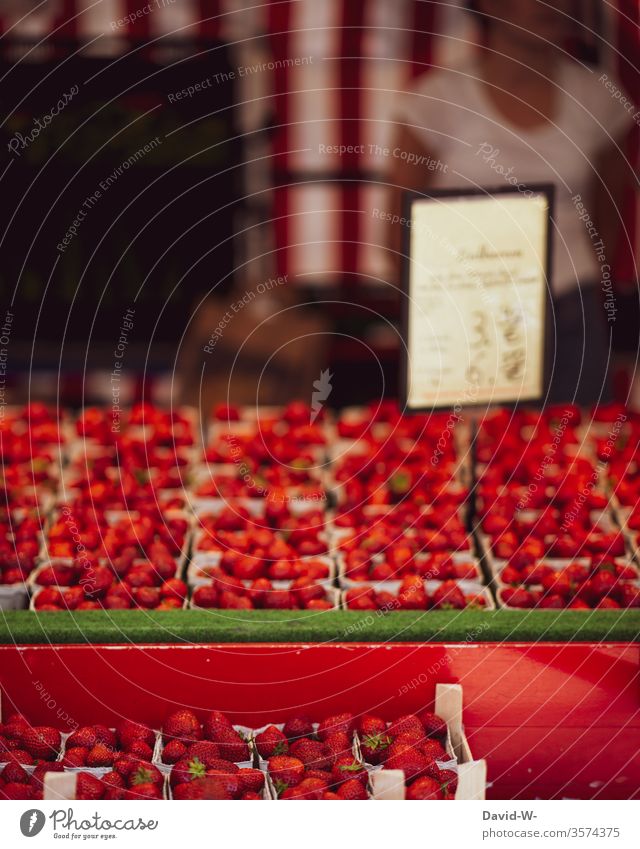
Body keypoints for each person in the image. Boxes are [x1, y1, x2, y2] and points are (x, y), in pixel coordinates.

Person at [390, 0, 635, 405]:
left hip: (573, 307)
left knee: (578, 454)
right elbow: (402, 233)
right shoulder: (435, 101)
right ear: (488, 5)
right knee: (468, 454)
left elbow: (608, 216)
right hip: (472, 315)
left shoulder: (598, 98)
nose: (553, 5)